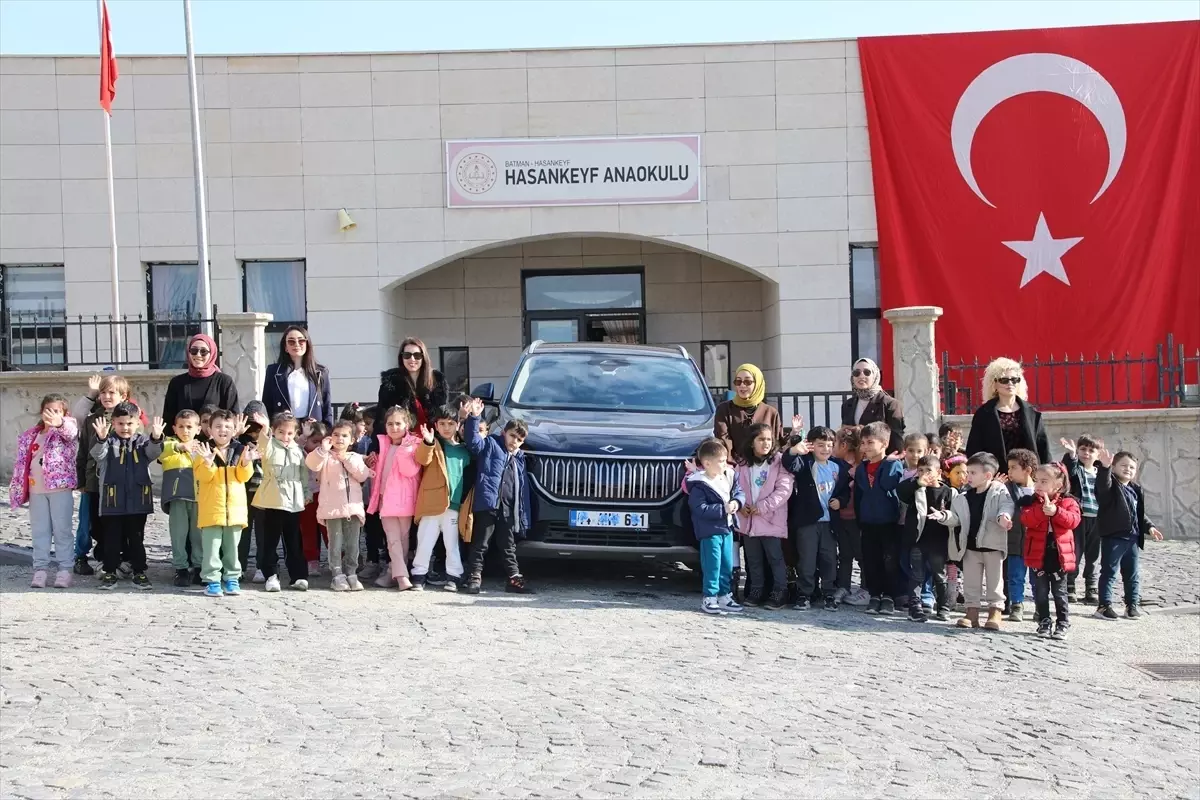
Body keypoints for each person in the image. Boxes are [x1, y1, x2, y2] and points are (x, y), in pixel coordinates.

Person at [934, 452, 1014, 630]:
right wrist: (944, 516)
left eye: (972, 473)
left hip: (993, 546)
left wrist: (1004, 517)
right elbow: (956, 518)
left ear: (987, 475)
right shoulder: (963, 496)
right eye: (967, 472)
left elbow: (1007, 506)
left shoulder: (999, 491)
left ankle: (995, 611)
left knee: (995, 581)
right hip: (969, 547)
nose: (967, 476)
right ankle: (971, 612)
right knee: (971, 581)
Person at [462, 397, 533, 595]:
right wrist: (474, 417)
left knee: (508, 545)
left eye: (519, 440)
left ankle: (514, 579)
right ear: (504, 433)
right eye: (512, 436)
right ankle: (474, 576)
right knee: (481, 543)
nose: (514, 442)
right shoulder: (491, 445)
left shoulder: (519, 459)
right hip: (488, 504)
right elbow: (473, 443)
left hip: (508, 508)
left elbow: (522, 490)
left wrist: (523, 516)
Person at [91, 404, 165, 590]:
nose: (125, 427)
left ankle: (139, 572)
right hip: (112, 501)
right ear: (113, 423)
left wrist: (156, 438)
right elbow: (98, 455)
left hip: (138, 501)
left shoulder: (142, 441)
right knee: (111, 540)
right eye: (121, 423)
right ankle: (110, 571)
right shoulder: (108, 441)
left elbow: (154, 452)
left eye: (129, 423)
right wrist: (101, 438)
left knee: (137, 539)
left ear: (138, 423)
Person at [10, 394, 78, 589]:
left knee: (62, 530)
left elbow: (71, 432)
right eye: (48, 410)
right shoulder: (32, 435)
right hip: (36, 489)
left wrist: (60, 423)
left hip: (60, 488)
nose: (52, 414)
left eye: (57, 411)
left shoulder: (66, 430)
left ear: (64, 413)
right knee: (40, 530)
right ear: (41, 412)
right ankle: (40, 569)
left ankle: (65, 569)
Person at [785, 426, 850, 612]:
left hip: (830, 523)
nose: (826, 449)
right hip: (808, 522)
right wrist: (794, 450)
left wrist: (841, 501)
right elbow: (789, 463)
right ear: (811, 446)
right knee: (807, 559)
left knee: (829, 558)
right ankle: (805, 593)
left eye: (829, 445)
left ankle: (828, 592)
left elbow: (845, 490)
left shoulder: (838, 466)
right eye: (821, 445)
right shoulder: (805, 463)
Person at [71, 374, 131, 576]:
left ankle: (116, 557)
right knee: (88, 522)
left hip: (118, 482)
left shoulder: (128, 420)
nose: (106, 396)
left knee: (116, 522)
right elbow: (83, 451)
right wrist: (81, 480)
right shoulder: (91, 420)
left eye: (111, 392)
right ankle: (81, 556)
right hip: (93, 480)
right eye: (103, 392)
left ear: (123, 396)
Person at [1093, 448, 1163, 620]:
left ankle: (1131, 605)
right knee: (1109, 572)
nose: (1128, 469)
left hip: (1132, 538)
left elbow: (1139, 514)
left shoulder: (1135, 489)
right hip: (1114, 537)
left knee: (1132, 574)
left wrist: (1150, 527)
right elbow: (1102, 485)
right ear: (1114, 467)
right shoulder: (1109, 486)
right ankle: (1103, 606)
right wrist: (1104, 468)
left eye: (1132, 467)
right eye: (1123, 465)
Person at [192, 409, 254, 597]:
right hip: (212, 510)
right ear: (210, 430)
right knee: (211, 549)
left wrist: (245, 463)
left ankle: (232, 578)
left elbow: (243, 477)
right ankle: (212, 581)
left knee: (232, 549)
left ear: (234, 430)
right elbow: (202, 477)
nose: (223, 430)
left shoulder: (241, 450)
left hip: (235, 511)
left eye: (227, 427)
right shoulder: (203, 450)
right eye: (218, 426)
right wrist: (208, 463)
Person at [413, 405, 476, 591]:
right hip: (431, 504)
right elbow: (422, 459)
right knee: (425, 541)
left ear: (458, 425)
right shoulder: (434, 445)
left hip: (454, 505)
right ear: (436, 425)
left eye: (450, 423)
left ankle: (454, 576)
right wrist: (428, 442)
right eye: (442, 424)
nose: (446, 428)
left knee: (452, 544)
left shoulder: (464, 450)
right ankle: (418, 575)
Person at [733, 423, 793, 610]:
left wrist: (763, 507)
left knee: (775, 558)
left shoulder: (779, 461)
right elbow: (735, 486)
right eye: (761, 439)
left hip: (770, 519)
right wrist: (740, 505)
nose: (766, 443)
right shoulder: (742, 464)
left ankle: (780, 591)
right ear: (752, 442)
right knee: (753, 559)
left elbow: (784, 489)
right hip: (749, 521)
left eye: (768, 439)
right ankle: (756, 590)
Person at [306, 420, 371, 592]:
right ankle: (337, 574)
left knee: (353, 544)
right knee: (335, 543)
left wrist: (345, 459)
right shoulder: (325, 456)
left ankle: (351, 573)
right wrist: (322, 450)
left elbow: (362, 475)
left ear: (352, 440)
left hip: (353, 508)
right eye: (336, 434)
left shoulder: (355, 457)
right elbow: (312, 464)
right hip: (332, 508)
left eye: (344, 435)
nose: (339, 438)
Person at [1020, 462, 1082, 640]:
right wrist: (1042, 511)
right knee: (1040, 591)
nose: (1038, 485)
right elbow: (1026, 519)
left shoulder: (1069, 502)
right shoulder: (1031, 502)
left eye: (1044, 481)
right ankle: (1044, 621)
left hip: (1059, 556)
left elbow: (1073, 521)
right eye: (1036, 480)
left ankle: (1063, 622)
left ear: (1058, 485)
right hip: (1038, 554)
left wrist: (1056, 512)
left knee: (1059, 592)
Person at [252, 411, 312, 592]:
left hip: (293, 501)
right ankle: (271, 575)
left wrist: (306, 492)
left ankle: (298, 576)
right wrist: (264, 427)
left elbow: (303, 475)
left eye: (290, 433)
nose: (285, 436)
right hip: (272, 499)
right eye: (281, 432)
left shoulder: (297, 451)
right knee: (270, 540)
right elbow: (263, 445)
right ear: (274, 431)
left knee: (294, 540)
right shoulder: (270, 445)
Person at [686, 438, 746, 615]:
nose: (724, 464)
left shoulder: (729, 476)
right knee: (712, 565)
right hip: (710, 531)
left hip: (727, 528)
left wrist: (736, 503)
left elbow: (739, 492)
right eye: (720, 461)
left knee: (727, 564)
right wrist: (722, 509)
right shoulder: (699, 484)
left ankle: (724, 595)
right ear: (707, 463)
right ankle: (710, 597)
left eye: (725, 460)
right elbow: (699, 508)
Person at [365, 406, 423, 591]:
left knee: (403, 539)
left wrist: (404, 451)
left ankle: (392, 573)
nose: (394, 427)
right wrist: (371, 463)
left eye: (398, 423)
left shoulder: (415, 444)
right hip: (386, 499)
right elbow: (379, 472)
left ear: (407, 424)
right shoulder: (383, 444)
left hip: (406, 500)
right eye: (390, 424)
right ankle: (402, 576)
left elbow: (410, 470)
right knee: (392, 539)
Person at [964, 357, 1051, 471]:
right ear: (994, 383)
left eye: (1015, 380)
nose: (1010, 383)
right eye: (1004, 380)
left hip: (1027, 474)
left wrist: (1045, 473)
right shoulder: (984, 414)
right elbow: (975, 449)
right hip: (997, 475)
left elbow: (1043, 448)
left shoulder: (1031, 413)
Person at [896, 456, 955, 622]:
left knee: (939, 575)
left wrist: (943, 516)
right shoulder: (916, 489)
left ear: (939, 472)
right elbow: (901, 492)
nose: (924, 474)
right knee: (916, 574)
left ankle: (943, 607)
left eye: (928, 470)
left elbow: (955, 515)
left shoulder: (948, 492)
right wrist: (917, 483)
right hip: (918, 540)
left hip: (938, 541)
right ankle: (915, 607)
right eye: (920, 470)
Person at [854, 421, 904, 615]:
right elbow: (859, 495)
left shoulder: (893, 465)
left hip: (888, 521)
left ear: (884, 443)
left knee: (889, 560)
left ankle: (889, 596)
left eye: (870, 442)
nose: (865, 447)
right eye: (863, 443)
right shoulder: (861, 468)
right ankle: (874, 594)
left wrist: (888, 464)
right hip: (868, 521)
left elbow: (887, 484)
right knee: (871, 560)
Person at [160, 409, 202, 587]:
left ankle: (199, 567)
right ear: (174, 429)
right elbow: (160, 452)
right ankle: (181, 568)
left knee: (198, 536)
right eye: (181, 427)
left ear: (198, 429)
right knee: (178, 535)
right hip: (177, 497)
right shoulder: (170, 445)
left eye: (189, 427)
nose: (185, 430)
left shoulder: (203, 448)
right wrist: (179, 447)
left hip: (199, 499)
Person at [261, 325, 333, 428]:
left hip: (312, 430)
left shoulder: (321, 372)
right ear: (285, 347)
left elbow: (326, 406)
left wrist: (327, 431)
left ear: (307, 344)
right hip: (284, 430)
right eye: (291, 342)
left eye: (301, 341)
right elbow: (267, 404)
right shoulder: (273, 371)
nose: (297, 345)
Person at [161, 333, 239, 427]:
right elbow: (169, 419)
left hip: (215, 436)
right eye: (193, 351)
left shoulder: (224, 382)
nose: (198, 355)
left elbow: (231, 418)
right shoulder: (177, 383)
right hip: (184, 436)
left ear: (212, 353)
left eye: (203, 351)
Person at [374, 337, 447, 436]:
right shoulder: (390, 382)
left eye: (417, 355)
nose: (412, 359)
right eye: (407, 355)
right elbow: (381, 418)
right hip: (401, 440)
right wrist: (377, 443)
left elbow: (443, 415)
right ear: (401, 357)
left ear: (423, 357)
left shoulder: (437, 380)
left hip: (432, 439)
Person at [1060, 435, 1103, 604]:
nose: (1087, 453)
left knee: (1093, 555)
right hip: (1078, 518)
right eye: (1083, 449)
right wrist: (1071, 455)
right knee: (1075, 553)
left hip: (1097, 519)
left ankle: (1091, 586)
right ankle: (1070, 585)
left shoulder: (1102, 473)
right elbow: (1067, 472)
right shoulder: (1076, 469)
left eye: (1091, 450)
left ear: (1098, 454)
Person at [713, 363, 784, 465]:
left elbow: (777, 443)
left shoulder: (771, 412)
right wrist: (733, 465)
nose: (742, 385)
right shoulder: (724, 409)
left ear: (757, 384)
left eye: (747, 382)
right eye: (738, 381)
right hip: (734, 467)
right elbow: (723, 440)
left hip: (765, 467)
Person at [832, 425, 867, 605]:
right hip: (841, 517)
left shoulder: (861, 466)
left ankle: (866, 588)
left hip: (857, 519)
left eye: (834, 444)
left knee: (861, 555)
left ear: (844, 445)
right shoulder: (834, 464)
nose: (831, 448)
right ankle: (843, 586)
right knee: (844, 554)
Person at [1003, 448, 1039, 622]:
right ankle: (1016, 605)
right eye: (1008, 467)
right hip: (1015, 542)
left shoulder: (1040, 489)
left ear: (1027, 470)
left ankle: (1040, 606)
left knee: (1037, 578)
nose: (1009, 471)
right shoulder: (1007, 488)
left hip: (1036, 544)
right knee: (1015, 576)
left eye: (1013, 468)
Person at [840, 358, 904, 453]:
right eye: (856, 373)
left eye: (867, 372)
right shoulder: (847, 405)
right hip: (855, 459)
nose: (861, 376)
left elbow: (896, 440)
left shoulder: (890, 404)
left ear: (875, 375)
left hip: (881, 458)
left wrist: (888, 459)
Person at [238, 402, 268, 583]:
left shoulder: (269, 442)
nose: (254, 433)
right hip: (243, 493)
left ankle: (261, 567)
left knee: (263, 533)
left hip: (264, 493)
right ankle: (239, 567)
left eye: (258, 428)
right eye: (251, 428)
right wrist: (237, 433)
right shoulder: (239, 443)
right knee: (243, 531)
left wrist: (266, 431)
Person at [299, 422, 329, 575]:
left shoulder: (327, 453)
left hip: (325, 495)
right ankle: (312, 560)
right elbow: (295, 446)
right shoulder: (300, 452)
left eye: (321, 442)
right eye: (314, 441)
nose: (318, 445)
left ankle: (337, 558)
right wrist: (303, 437)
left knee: (329, 529)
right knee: (308, 529)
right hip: (307, 497)